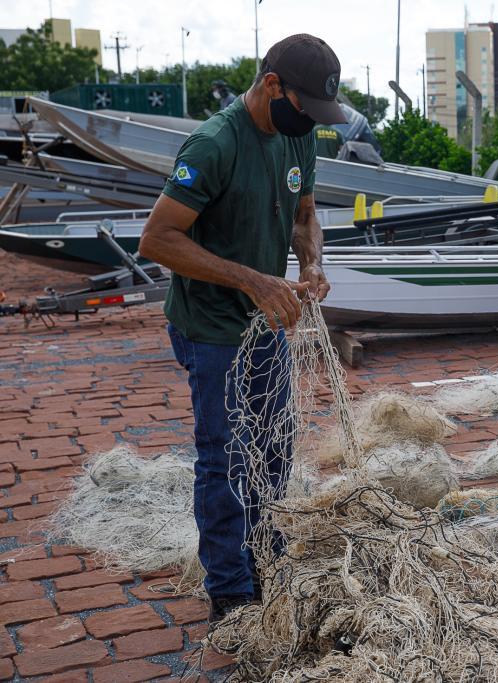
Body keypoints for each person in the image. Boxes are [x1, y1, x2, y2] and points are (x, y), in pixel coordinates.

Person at [139, 34, 347, 624]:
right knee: (225, 457)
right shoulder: (214, 144)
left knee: (275, 450)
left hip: (265, 325)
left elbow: (305, 214)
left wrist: (311, 263)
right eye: (305, 107)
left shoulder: (296, 138)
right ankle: (229, 589)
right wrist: (253, 280)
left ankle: (268, 557)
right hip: (210, 327)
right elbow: (157, 240)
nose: (309, 122)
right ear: (273, 85)